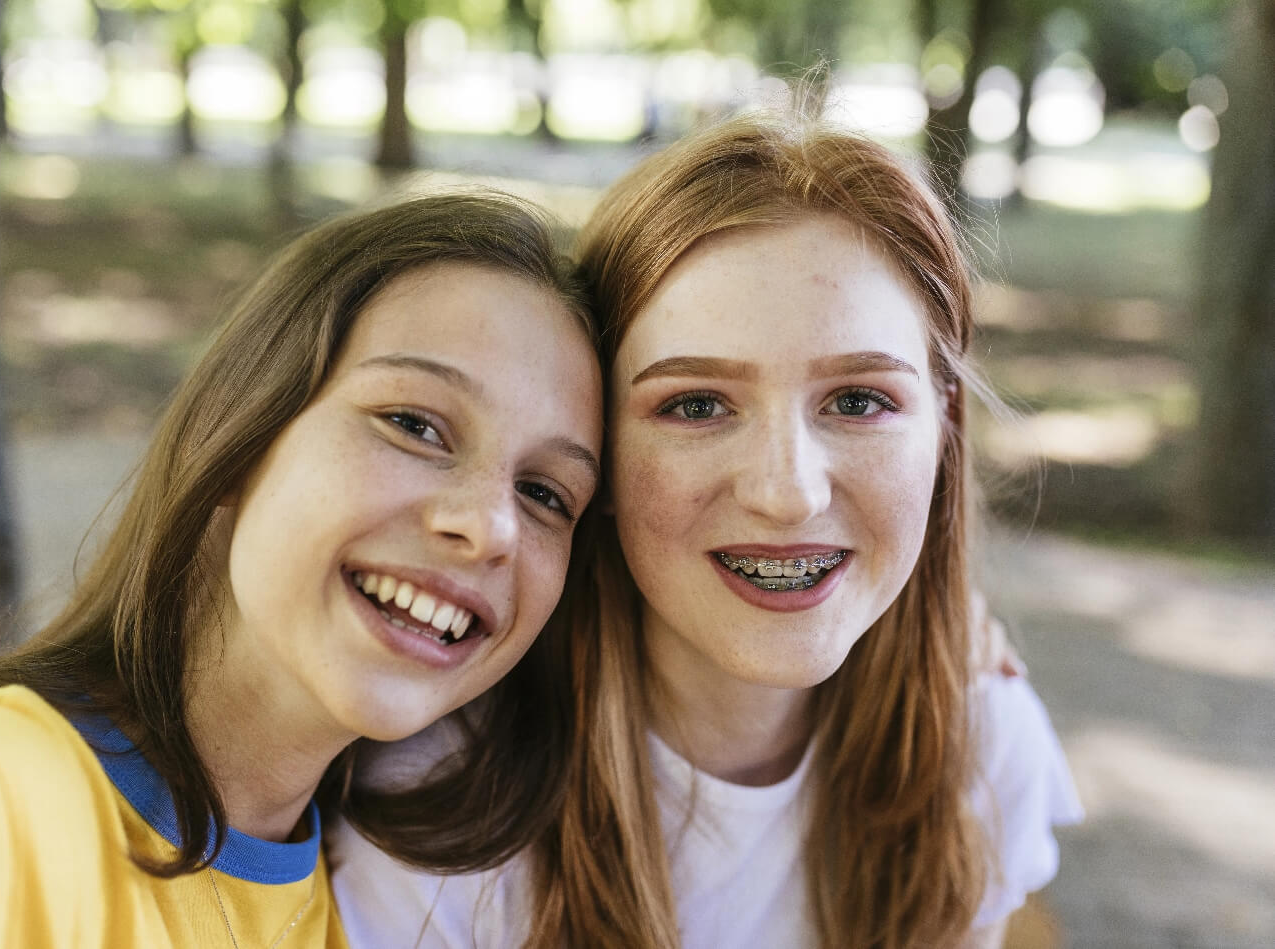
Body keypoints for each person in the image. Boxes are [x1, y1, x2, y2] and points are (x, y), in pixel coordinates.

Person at [326, 114, 1083, 948]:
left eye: (859, 401)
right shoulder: (444, 814)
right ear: (598, 451)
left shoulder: (979, 741)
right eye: (695, 405)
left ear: (942, 427)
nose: (787, 493)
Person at [0, 192, 604, 948]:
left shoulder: (355, 913)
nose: (489, 527)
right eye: (414, 424)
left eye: (544, 493)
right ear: (236, 439)